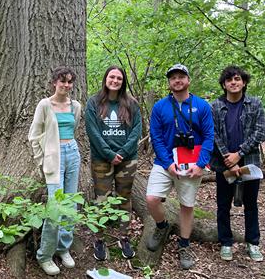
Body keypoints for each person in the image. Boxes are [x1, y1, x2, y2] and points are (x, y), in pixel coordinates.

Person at [146, 64, 214, 270]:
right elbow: (156, 137)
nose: (177, 80)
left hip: (192, 163)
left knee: (187, 205)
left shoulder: (202, 106)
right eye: (173, 78)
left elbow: (210, 136)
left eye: (181, 77)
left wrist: (201, 164)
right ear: (169, 82)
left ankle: (184, 244)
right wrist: (167, 163)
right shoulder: (160, 107)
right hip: (165, 161)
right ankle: (161, 226)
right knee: (151, 199)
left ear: (188, 80)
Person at [209, 66, 265, 262]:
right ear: (224, 84)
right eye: (229, 80)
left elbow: (260, 132)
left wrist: (239, 154)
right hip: (223, 164)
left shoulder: (255, 104)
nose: (233, 83)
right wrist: (228, 158)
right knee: (223, 205)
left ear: (243, 82)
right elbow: (213, 134)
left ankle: (253, 243)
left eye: (237, 79)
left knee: (251, 204)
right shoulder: (215, 106)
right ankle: (226, 242)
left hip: (249, 163)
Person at [28, 66, 82, 276]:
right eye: (63, 81)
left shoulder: (75, 106)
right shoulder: (44, 105)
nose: (66, 85)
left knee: (71, 203)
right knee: (55, 206)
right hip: (53, 157)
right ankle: (45, 255)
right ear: (54, 82)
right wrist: (41, 160)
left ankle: (63, 247)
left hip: (72, 153)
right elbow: (34, 136)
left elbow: (74, 128)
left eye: (70, 82)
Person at [85, 66, 142, 261]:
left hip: (127, 159)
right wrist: (109, 154)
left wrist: (123, 152)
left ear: (123, 81)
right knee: (102, 198)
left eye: (119, 78)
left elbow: (136, 130)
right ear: (106, 78)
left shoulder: (131, 103)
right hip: (101, 159)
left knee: (125, 197)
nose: (115, 80)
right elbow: (92, 131)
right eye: (112, 77)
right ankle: (99, 239)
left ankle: (124, 237)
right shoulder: (94, 102)